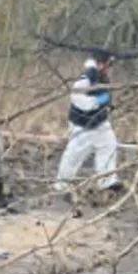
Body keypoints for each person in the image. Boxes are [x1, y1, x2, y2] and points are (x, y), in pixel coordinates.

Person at [55, 50, 123, 196]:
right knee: (74, 155)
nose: (112, 70)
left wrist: (106, 107)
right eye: (109, 66)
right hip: (82, 125)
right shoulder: (84, 81)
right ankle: (62, 185)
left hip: (100, 124)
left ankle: (106, 180)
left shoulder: (103, 80)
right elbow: (79, 101)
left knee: (108, 145)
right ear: (100, 65)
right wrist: (98, 102)